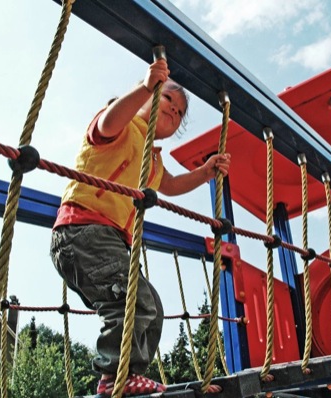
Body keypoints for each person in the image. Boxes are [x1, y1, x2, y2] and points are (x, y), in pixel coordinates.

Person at [50, 58, 230, 396]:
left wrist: (205, 173)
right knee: (135, 304)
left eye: (179, 114)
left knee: (152, 306)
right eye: (168, 99)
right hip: (82, 231)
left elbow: (171, 186)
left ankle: (129, 377)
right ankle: (113, 377)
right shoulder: (122, 125)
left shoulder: (153, 157)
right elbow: (106, 123)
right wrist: (145, 87)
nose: (174, 113)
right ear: (149, 93)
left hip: (111, 241)